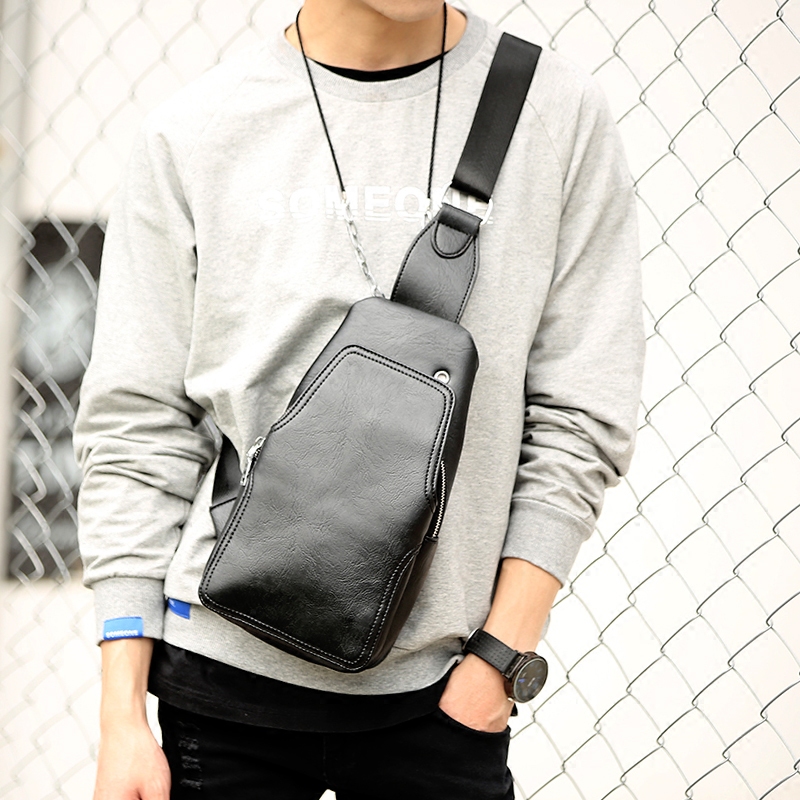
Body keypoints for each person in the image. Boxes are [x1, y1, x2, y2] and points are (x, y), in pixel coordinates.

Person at [74, 1, 644, 798]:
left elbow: (579, 415)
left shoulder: (554, 112)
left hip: (444, 699)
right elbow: (139, 430)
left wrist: (498, 660)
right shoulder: (195, 132)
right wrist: (122, 719)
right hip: (221, 687)